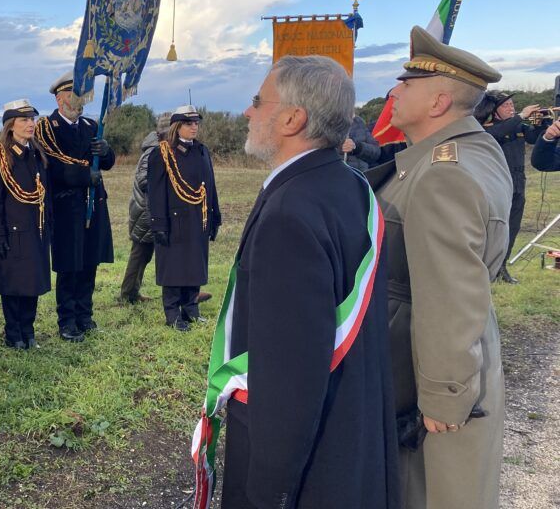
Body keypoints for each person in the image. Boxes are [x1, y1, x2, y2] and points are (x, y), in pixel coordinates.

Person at [216, 55, 397, 508]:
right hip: (351, 436)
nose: (248, 112)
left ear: (293, 118)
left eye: (258, 101)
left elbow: (289, 378)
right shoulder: (351, 185)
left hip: (309, 471)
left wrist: (268, 492)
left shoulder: (288, 215)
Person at [366, 26, 510, 509]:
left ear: (437, 102)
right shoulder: (471, 151)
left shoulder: (441, 176)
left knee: (429, 493)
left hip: (433, 380)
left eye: (407, 83)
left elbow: (448, 297)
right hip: (457, 356)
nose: (394, 91)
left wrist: (445, 394)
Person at [34, 71, 115, 342]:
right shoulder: (46, 127)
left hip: (93, 204)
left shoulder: (92, 127)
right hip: (67, 206)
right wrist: (83, 175)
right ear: (60, 99)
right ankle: (67, 321)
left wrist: (105, 151)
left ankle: (84, 314)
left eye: (80, 95)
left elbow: (107, 163)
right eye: (72, 95)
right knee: (70, 265)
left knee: (89, 261)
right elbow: (53, 164)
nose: (78, 100)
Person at [0, 99, 52, 350]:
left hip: (36, 230)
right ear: (10, 125)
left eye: (32, 119)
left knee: (32, 283)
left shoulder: (37, 153)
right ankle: (13, 333)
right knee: (13, 286)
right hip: (12, 233)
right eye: (24, 120)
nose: (30, 124)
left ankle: (28, 330)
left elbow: (45, 193)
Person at [147, 106, 220, 331]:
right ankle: (172, 313)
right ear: (177, 126)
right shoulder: (162, 153)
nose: (194, 127)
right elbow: (156, 191)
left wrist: (215, 216)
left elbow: (210, 186)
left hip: (199, 217)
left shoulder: (201, 150)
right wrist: (158, 223)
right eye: (189, 123)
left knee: (194, 264)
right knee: (174, 267)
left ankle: (191, 309)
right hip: (174, 219)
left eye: (196, 123)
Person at [476, 91, 547, 283]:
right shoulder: (486, 128)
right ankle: (486, 267)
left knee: (512, 227)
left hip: (518, 182)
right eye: (506, 105)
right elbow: (497, 134)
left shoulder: (517, 125)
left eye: (512, 104)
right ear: (495, 110)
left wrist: (542, 124)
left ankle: (502, 267)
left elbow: (533, 137)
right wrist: (521, 116)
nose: (511, 108)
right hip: (496, 183)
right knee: (494, 228)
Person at [119, 112, 170, 305]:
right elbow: (143, 180)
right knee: (141, 253)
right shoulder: (152, 151)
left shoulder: (160, 147)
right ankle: (128, 294)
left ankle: (131, 292)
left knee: (143, 254)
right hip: (145, 211)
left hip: (148, 209)